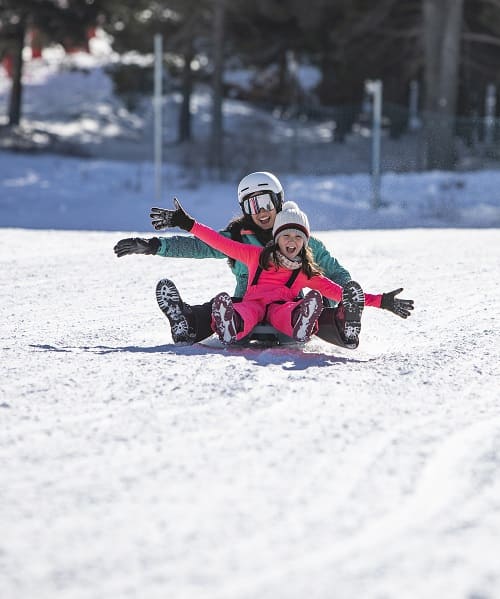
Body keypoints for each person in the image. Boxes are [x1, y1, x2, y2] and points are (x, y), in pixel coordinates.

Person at [114, 171, 413, 347]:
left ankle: (342, 324)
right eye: (251, 204)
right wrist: (152, 245)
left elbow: (336, 277)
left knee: (317, 307)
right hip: (246, 311)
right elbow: (201, 245)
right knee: (215, 310)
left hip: (291, 314)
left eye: (266, 201)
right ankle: (186, 322)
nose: (261, 209)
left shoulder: (304, 243)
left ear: (279, 201)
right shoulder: (242, 241)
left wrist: (349, 301)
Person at [151, 198, 382, 345]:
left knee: (293, 311)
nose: (292, 242)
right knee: (242, 309)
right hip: (251, 301)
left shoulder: (307, 268)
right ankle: (228, 324)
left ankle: (315, 321)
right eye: (286, 236)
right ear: (276, 238)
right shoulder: (253, 253)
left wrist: (380, 301)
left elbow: (337, 289)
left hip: (285, 308)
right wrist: (187, 224)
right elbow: (216, 243)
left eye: (298, 238)